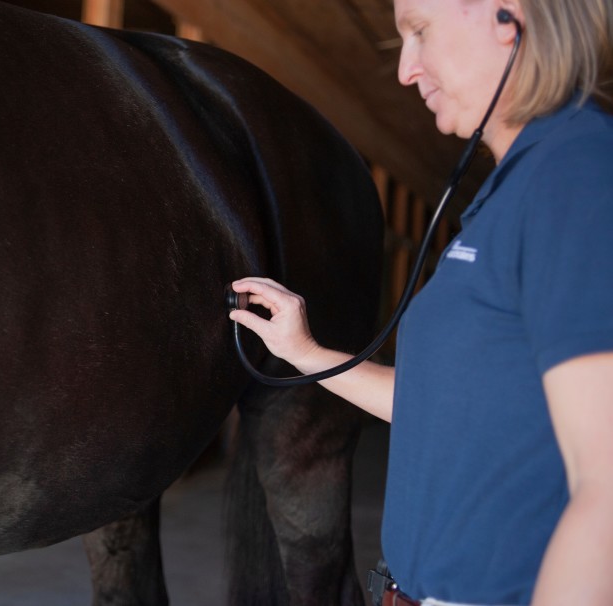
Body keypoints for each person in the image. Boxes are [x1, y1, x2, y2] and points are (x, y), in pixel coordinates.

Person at [228, 0, 613, 604]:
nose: (407, 69)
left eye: (419, 32)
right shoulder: (508, 191)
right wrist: (305, 352)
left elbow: (607, 491)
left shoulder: (577, 175)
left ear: (507, 17)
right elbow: (439, 409)